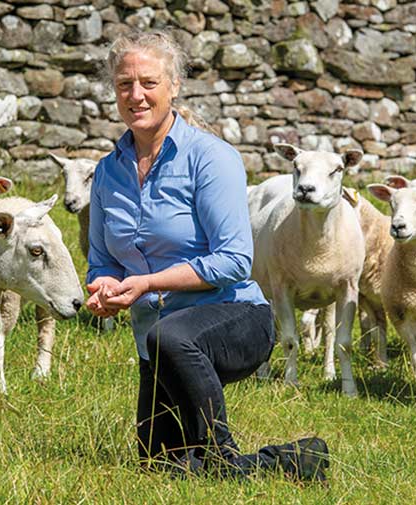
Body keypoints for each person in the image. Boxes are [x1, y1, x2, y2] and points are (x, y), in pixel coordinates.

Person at [85, 31, 329, 481]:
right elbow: (102, 261)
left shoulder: (211, 158)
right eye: (124, 84)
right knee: (161, 467)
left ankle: (224, 453)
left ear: (174, 85)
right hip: (158, 345)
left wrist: (148, 283)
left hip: (236, 319)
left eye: (149, 83)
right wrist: (102, 286)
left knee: (172, 335)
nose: (135, 95)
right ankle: (296, 461)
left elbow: (235, 260)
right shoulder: (106, 172)